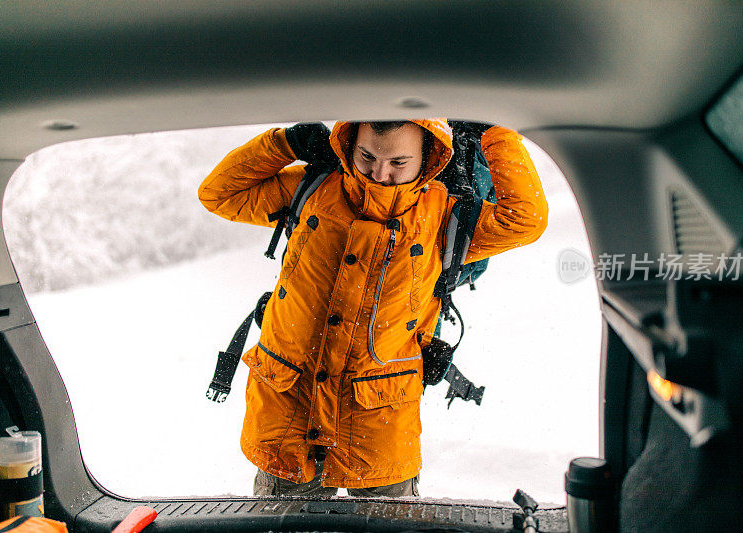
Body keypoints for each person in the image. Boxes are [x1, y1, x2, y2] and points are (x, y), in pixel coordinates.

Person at [198, 119, 548, 497]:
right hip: (287, 422)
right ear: (349, 146)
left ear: (429, 158)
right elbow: (218, 194)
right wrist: (285, 144)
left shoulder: (446, 218)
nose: (380, 174)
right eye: (367, 157)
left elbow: (525, 220)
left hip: (378, 430)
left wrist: (494, 134)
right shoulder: (309, 187)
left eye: (398, 162)